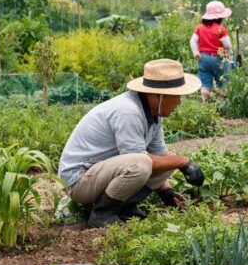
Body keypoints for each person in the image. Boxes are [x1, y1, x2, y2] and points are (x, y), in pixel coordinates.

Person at [58, 59, 206, 228]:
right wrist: (183, 161)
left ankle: (124, 208)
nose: (179, 102)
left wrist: (166, 191)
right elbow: (138, 161)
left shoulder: (153, 113)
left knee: (168, 160)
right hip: (79, 181)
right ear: (159, 95)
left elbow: (159, 156)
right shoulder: (129, 112)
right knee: (144, 163)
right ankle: (103, 214)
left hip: (99, 174)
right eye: (176, 96)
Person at [191, 0, 234, 102]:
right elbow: (227, 44)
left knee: (205, 80)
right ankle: (221, 103)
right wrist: (229, 52)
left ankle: (205, 100)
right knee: (223, 80)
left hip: (203, 57)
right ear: (220, 17)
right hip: (218, 58)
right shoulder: (220, 29)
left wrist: (195, 52)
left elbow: (192, 41)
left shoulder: (200, 28)